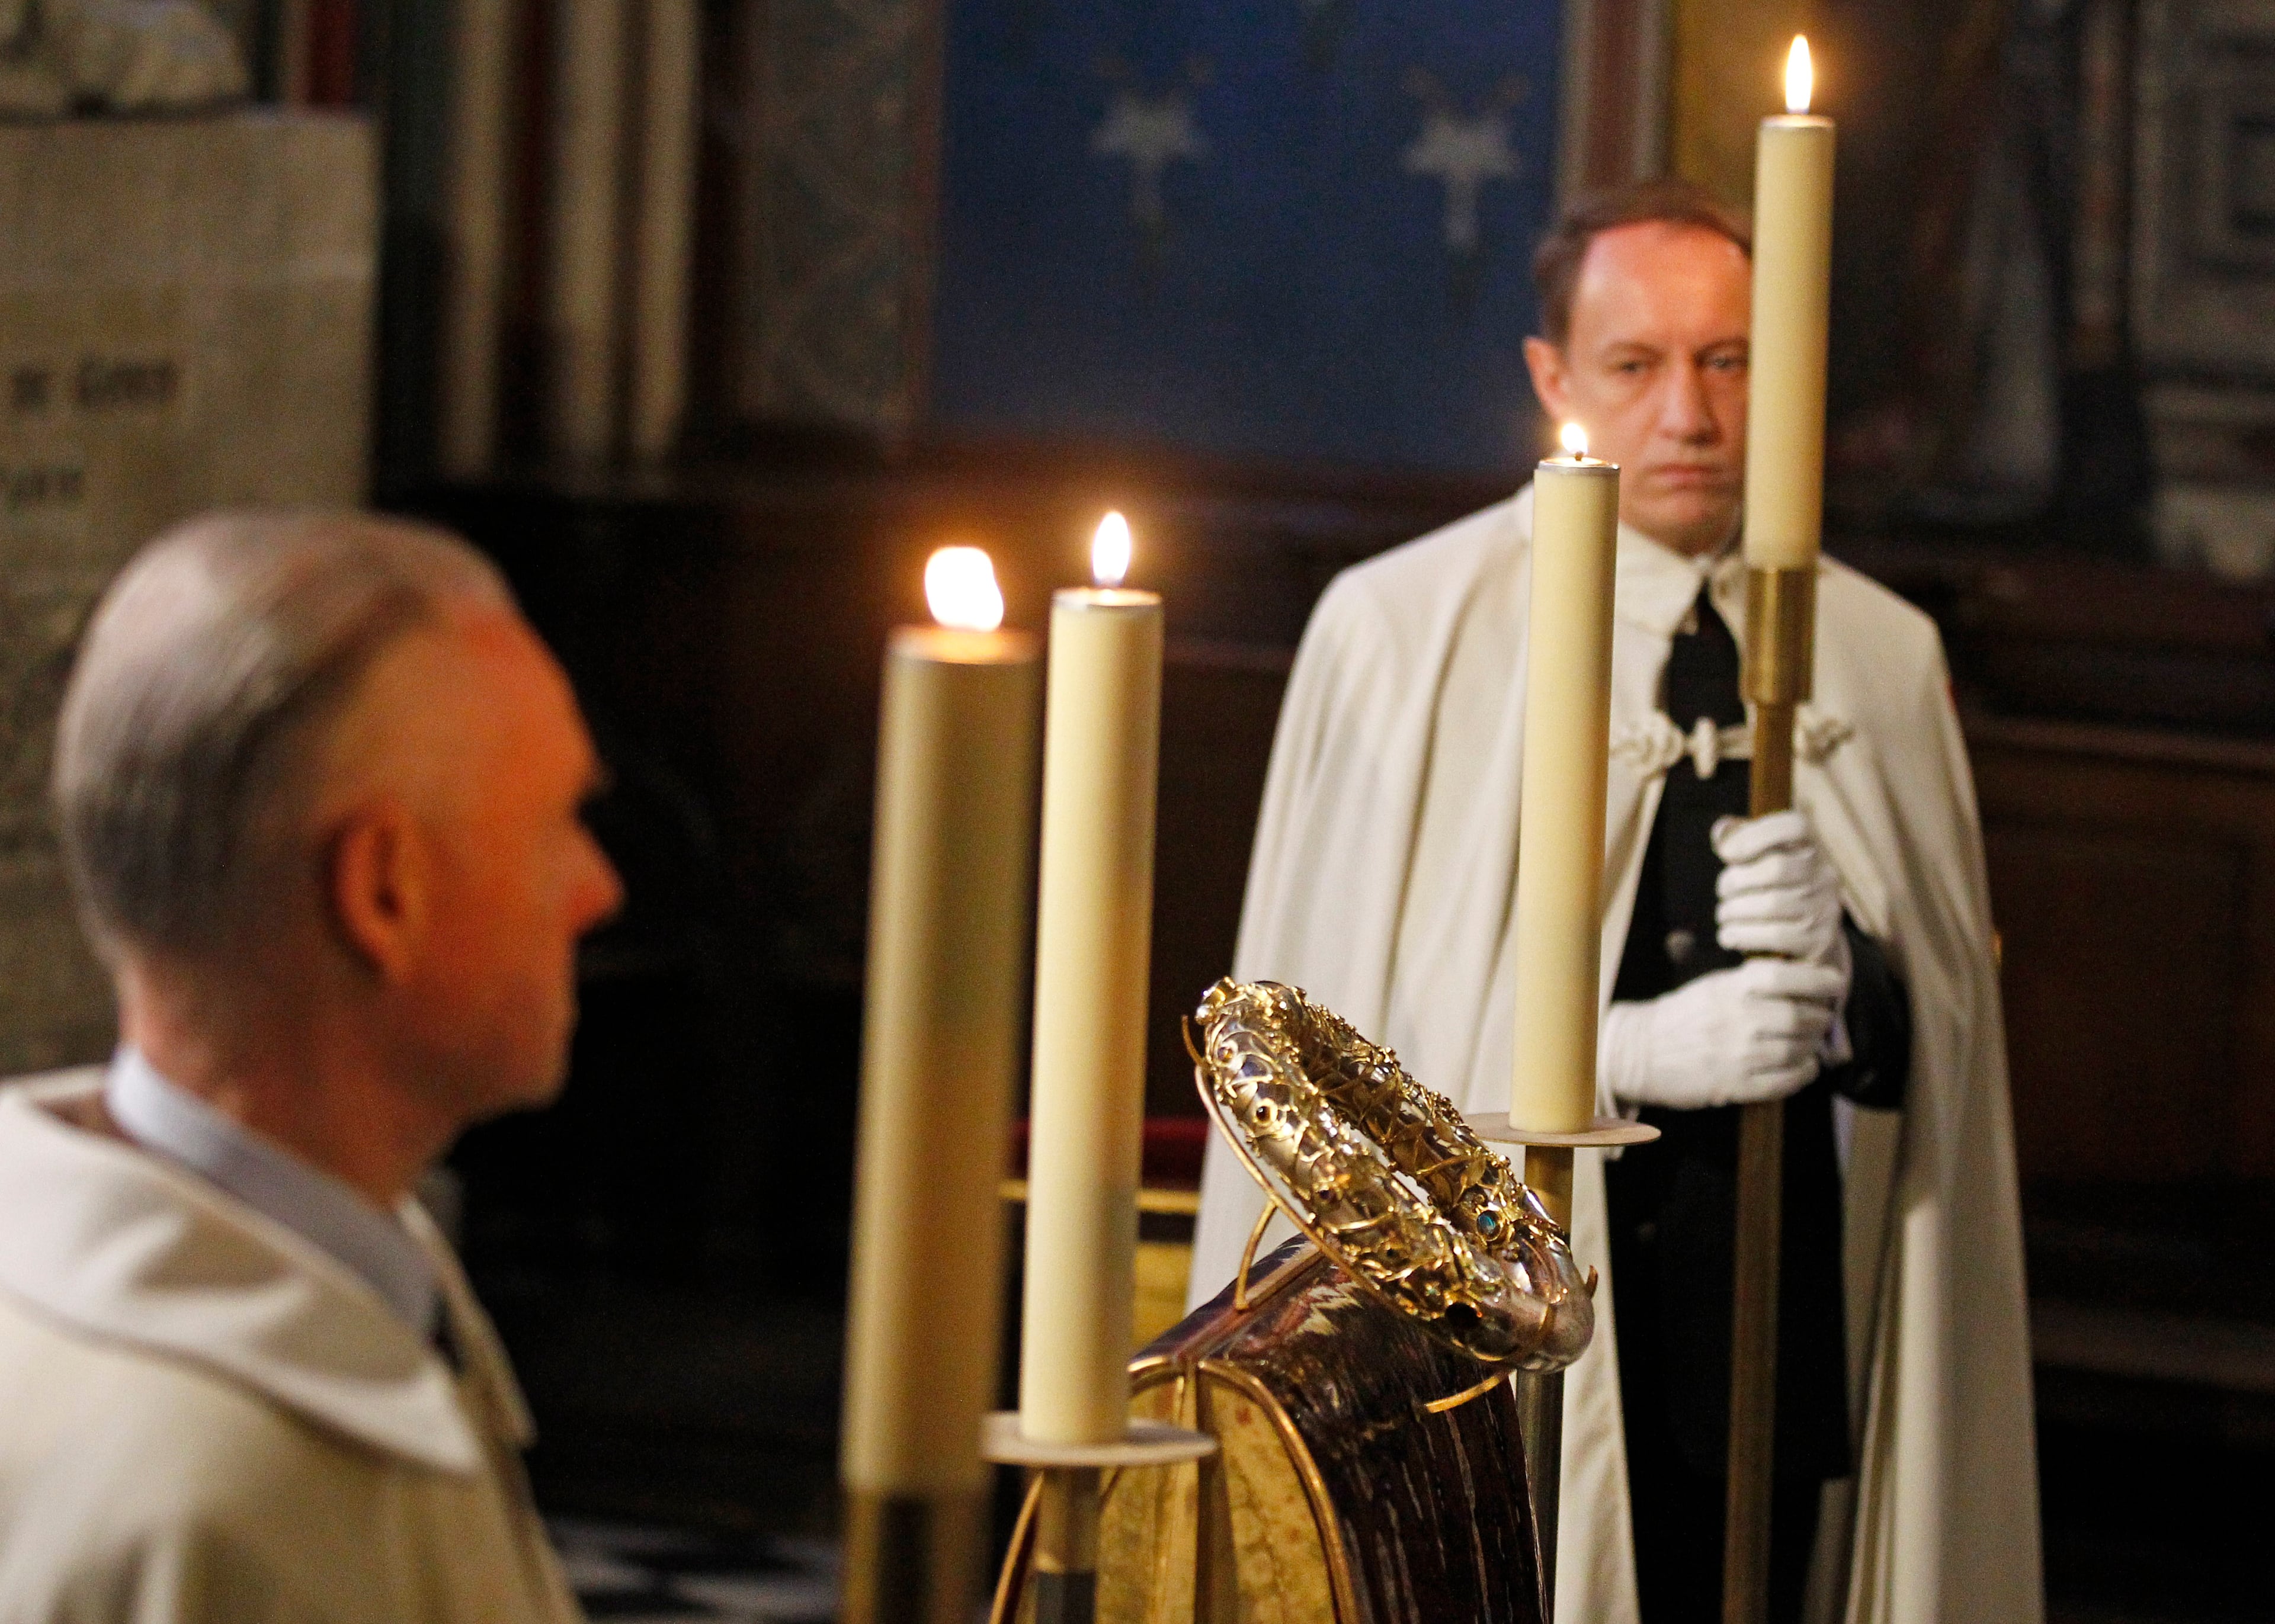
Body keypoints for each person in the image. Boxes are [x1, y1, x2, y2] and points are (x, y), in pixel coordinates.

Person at [1188, 181, 2041, 1624]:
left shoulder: (1884, 657)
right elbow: (1322, 1061)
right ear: (1554, 378)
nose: (1693, 418)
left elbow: (1945, 1055)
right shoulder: (1404, 633)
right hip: (1507, 1335)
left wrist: (1854, 984)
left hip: (1778, 1320)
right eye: (1638, 366)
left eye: (1731, 361)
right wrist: (1618, 1051)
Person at [0, 512, 623, 1621]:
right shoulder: (234, 1497)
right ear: (383, 892)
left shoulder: (303, 1281)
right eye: (557, 823)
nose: (597, 888)